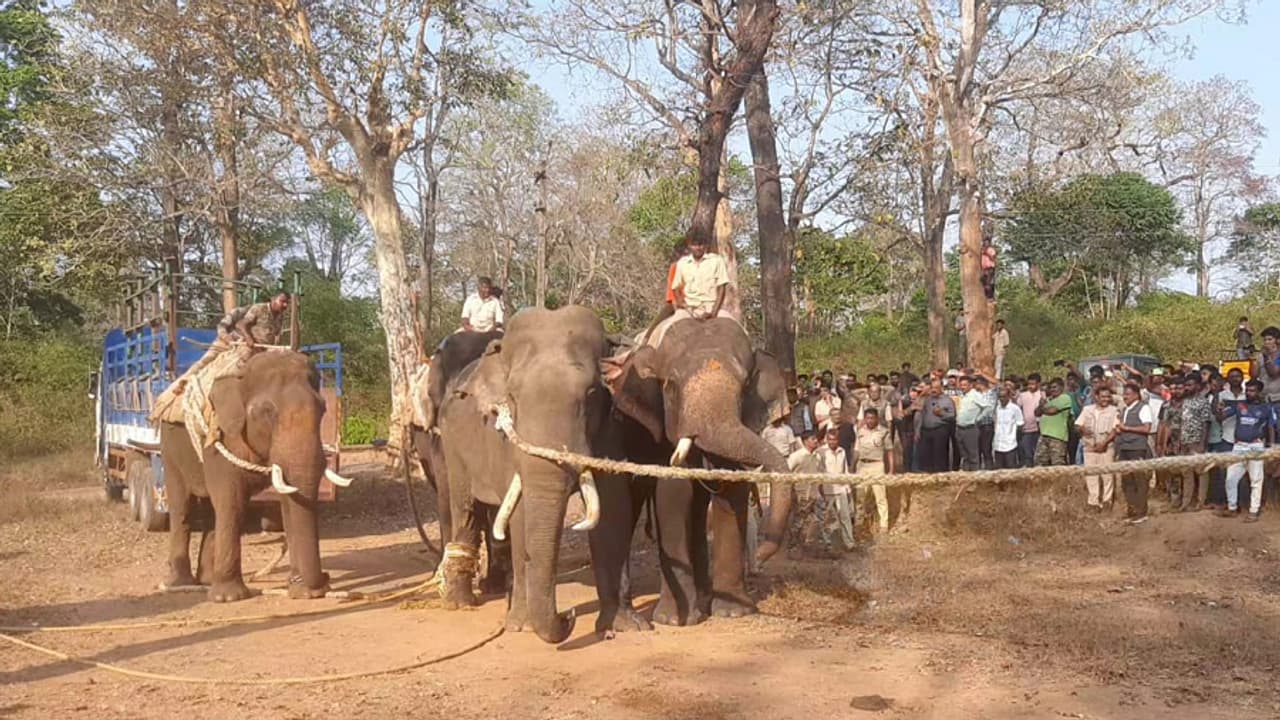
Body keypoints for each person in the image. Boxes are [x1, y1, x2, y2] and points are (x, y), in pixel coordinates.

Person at [184, 291, 291, 378]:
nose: (285, 305)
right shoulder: (253, 309)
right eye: (282, 301)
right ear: (272, 299)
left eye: (287, 303)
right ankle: (184, 381)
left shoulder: (280, 317)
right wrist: (244, 338)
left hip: (259, 348)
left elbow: (275, 335)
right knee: (207, 360)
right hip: (233, 342)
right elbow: (237, 325)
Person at [1218, 380, 1275, 522]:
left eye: (1252, 390)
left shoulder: (1266, 408)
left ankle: (1253, 511)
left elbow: (1271, 427)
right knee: (1230, 478)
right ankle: (1232, 507)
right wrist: (1218, 408)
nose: (1249, 393)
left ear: (1259, 392)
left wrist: (1271, 447)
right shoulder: (1239, 405)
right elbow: (1221, 417)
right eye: (1247, 390)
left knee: (1256, 480)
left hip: (1256, 446)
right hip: (1239, 446)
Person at [1115, 383, 1155, 524]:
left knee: (1140, 480)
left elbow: (1146, 428)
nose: (1125, 396)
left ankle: (1141, 512)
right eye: (1124, 394)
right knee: (1127, 481)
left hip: (1137, 448)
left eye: (1128, 394)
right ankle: (1131, 510)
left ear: (1136, 395)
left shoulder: (1143, 408)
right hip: (1124, 448)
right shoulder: (1125, 409)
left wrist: (1126, 428)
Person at [1076, 386, 1119, 510]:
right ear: (1096, 397)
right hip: (1089, 447)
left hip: (1107, 447)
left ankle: (1107, 501)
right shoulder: (1087, 410)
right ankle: (1093, 502)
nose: (1105, 399)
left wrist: (1104, 443)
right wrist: (1083, 429)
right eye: (1103, 396)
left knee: (1107, 474)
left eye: (1108, 396)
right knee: (1091, 475)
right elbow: (1077, 425)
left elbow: (1115, 430)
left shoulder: (1114, 411)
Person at [853, 407, 896, 534]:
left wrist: (891, 470)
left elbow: (890, 451)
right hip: (862, 465)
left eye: (872, 418)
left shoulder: (884, 432)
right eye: (867, 418)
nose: (870, 420)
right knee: (860, 496)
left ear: (877, 418)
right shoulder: (860, 431)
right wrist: (852, 466)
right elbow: (856, 450)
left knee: (880, 496)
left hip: (877, 465)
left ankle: (883, 525)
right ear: (865, 419)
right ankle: (859, 523)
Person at [1176, 374, 1213, 512]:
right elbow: (1183, 422)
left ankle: (1201, 501)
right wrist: (1180, 441)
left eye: (1190, 385)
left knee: (1201, 472)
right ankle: (1186, 502)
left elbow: (1206, 424)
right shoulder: (1185, 401)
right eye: (1186, 385)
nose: (1187, 387)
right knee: (1186, 473)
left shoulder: (1203, 402)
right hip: (1185, 441)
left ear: (1198, 385)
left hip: (1197, 441)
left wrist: (1202, 443)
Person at [818, 429, 855, 551]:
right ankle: (829, 546)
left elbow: (845, 470)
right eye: (830, 439)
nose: (832, 442)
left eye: (834, 440)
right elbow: (819, 473)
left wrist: (848, 488)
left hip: (841, 489)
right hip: (828, 490)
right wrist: (820, 490)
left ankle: (849, 543)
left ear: (838, 440)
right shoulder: (821, 452)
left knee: (845, 517)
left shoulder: (842, 451)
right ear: (826, 440)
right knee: (828, 519)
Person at [915, 379, 956, 473]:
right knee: (926, 455)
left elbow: (952, 415)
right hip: (926, 430)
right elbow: (921, 414)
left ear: (941, 388)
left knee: (940, 455)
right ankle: (929, 475)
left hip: (940, 430)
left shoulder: (948, 400)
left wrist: (941, 414)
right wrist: (918, 430)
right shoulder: (927, 399)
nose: (934, 390)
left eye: (936, 388)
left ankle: (941, 474)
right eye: (932, 388)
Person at [955, 375, 994, 471]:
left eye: (965, 385)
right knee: (964, 456)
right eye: (961, 385)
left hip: (970, 428)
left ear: (970, 385)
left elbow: (988, 407)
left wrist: (978, 418)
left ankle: (974, 476)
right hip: (960, 428)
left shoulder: (975, 395)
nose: (962, 387)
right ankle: (966, 475)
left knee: (973, 456)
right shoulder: (962, 396)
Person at [1034, 378, 1073, 467]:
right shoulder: (1048, 400)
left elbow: (1052, 411)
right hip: (1043, 436)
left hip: (1057, 438)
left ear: (1061, 387)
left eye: (1055, 387)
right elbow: (1036, 413)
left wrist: (1043, 407)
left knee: (1058, 465)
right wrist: (1041, 404)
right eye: (1051, 387)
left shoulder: (1065, 398)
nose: (1052, 389)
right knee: (1039, 464)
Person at [993, 386, 1024, 469]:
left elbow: (1020, 425)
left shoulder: (1015, 409)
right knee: (999, 471)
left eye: (1004, 397)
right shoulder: (997, 408)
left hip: (1010, 445)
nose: (1002, 399)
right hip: (998, 445)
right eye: (1000, 397)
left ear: (1008, 396)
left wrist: (1014, 438)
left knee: (1010, 470)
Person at [1017, 373, 1044, 467]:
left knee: (1038, 453)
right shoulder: (1023, 395)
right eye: (1029, 384)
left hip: (1039, 429)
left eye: (1033, 384)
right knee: (1027, 453)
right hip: (1026, 429)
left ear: (1038, 384)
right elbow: (1018, 409)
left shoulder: (1042, 395)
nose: (1030, 386)